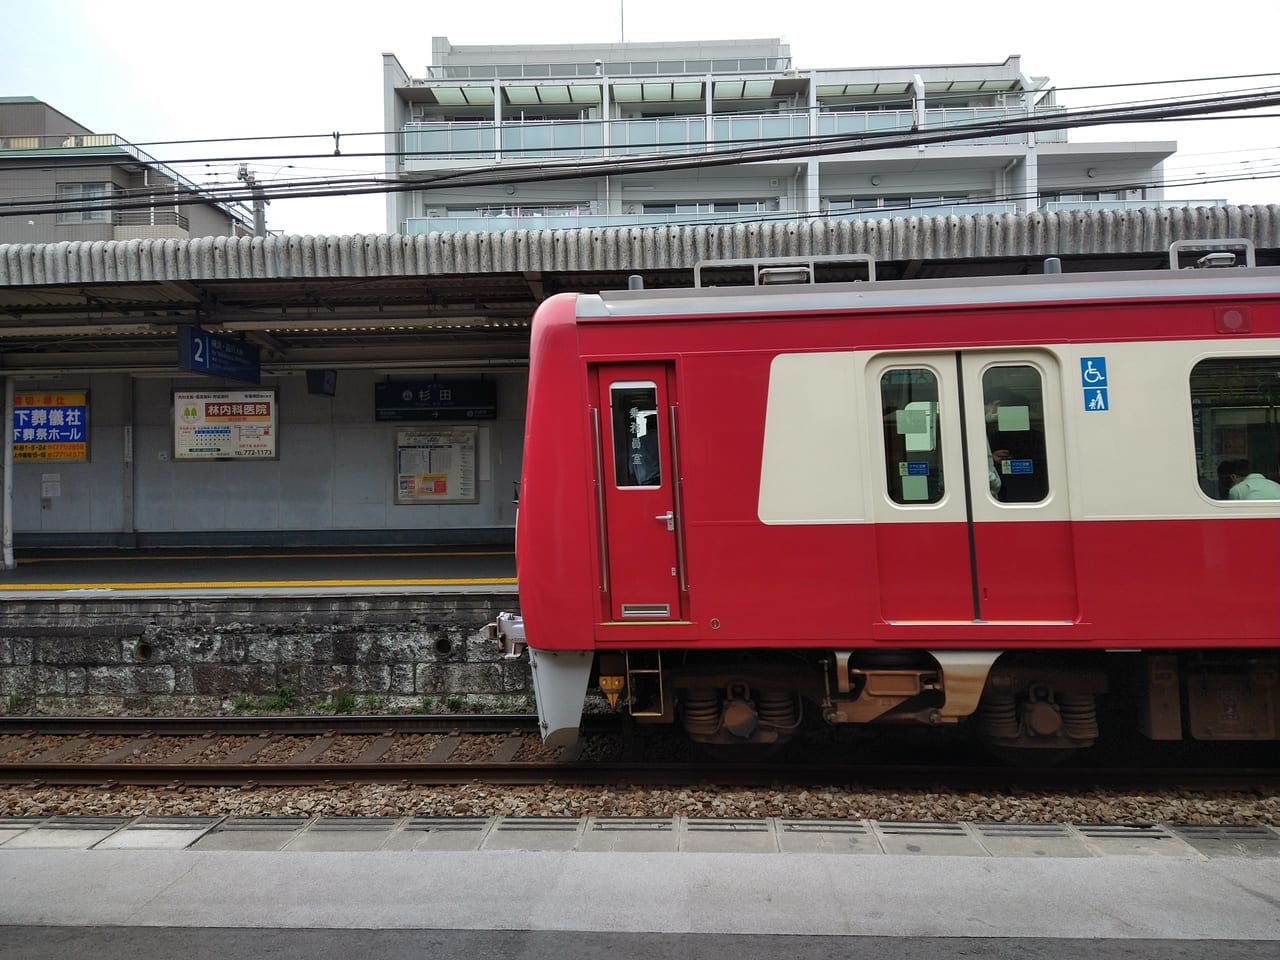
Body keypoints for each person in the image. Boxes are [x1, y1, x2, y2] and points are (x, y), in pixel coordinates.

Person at [984, 386, 1047, 502]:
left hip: (1034, 484)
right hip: (1008, 487)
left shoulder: (1038, 437)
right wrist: (991, 458)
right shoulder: (994, 436)